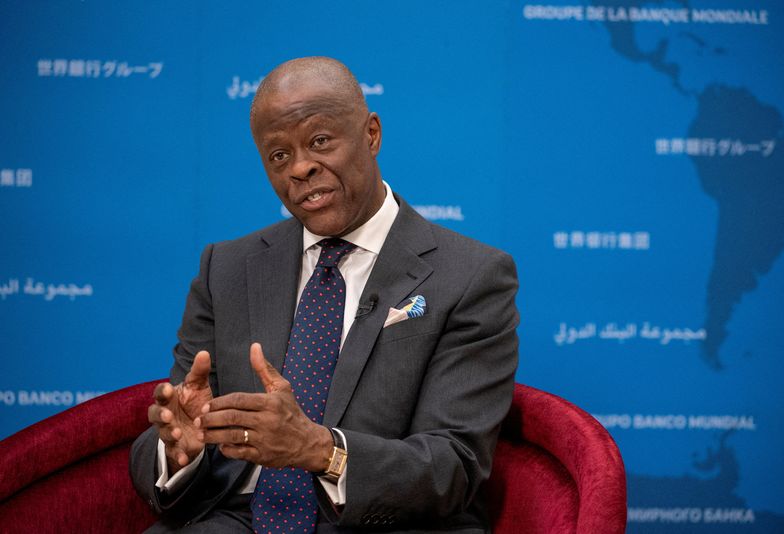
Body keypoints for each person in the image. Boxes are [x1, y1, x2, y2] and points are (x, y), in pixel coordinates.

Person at [130, 56, 519, 533]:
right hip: (235, 520)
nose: (300, 168)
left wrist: (320, 450)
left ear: (371, 134)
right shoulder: (226, 268)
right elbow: (175, 422)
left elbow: (452, 466)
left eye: (319, 141)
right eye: (278, 156)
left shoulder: (469, 276)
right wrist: (179, 451)